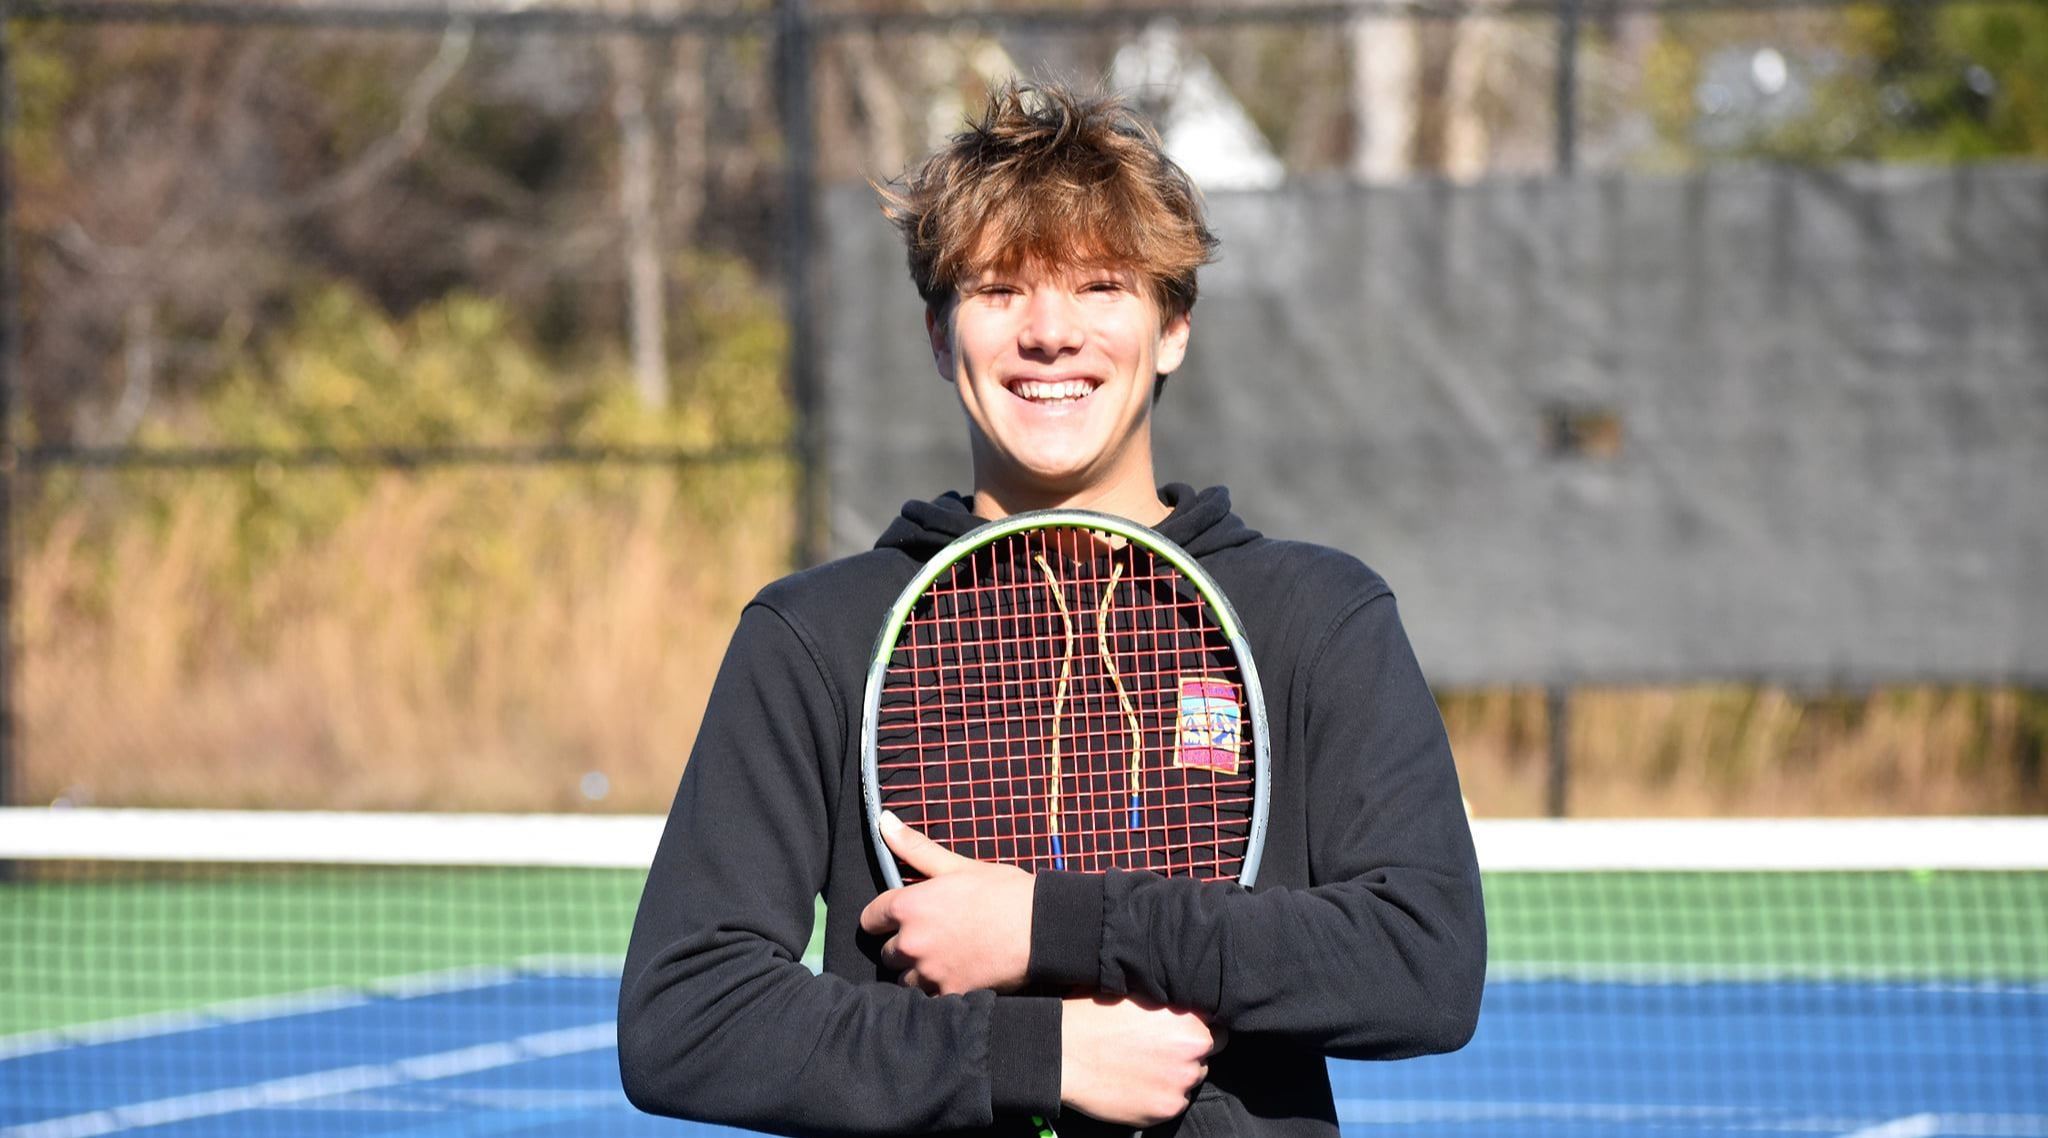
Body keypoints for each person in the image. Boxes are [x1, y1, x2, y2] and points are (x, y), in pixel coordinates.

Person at [619, 81, 1484, 1137]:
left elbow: (1422, 961)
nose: (1048, 333)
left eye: (1098, 286)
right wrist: (1037, 1054)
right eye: (997, 291)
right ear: (940, 337)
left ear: (1171, 327)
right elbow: (686, 1016)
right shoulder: (815, 637)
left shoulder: (1315, 615)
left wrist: (1044, 925)